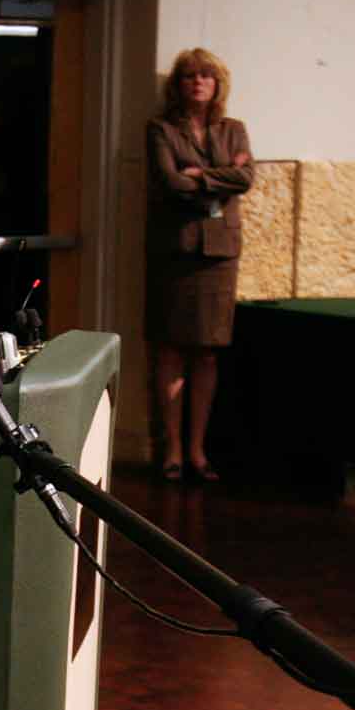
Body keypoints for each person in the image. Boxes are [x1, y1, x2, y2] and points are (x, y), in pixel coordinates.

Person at [144, 47, 253, 484]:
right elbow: (169, 181)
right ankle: (171, 448)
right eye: (189, 76)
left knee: (207, 352)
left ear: (218, 83)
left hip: (219, 255)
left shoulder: (233, 129)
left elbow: (248, 179)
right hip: (176, 251)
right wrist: (224, 173)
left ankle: (197, 450)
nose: (197, 82)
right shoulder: (161, 128)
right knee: (170, 348)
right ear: (178, 84)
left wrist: (200, 175)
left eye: (206, 75)